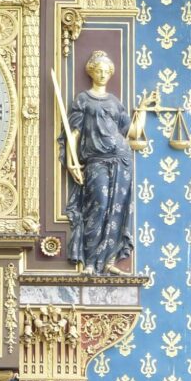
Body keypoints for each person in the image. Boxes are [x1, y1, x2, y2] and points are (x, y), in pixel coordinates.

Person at [60, 50, 135, 275]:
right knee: (99, 205)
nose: (102, 74)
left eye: (106, 71)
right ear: (91, 72)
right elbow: (74, 134)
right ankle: (91, 262)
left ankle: (109, 260)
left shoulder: (114, 102)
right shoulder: (84, 99)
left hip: (121, 159)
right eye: (98, 70)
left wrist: (142, 111)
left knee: (117, 210)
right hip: (96, 160)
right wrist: (72, 162)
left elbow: (129, 132)